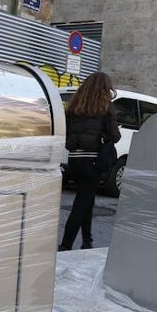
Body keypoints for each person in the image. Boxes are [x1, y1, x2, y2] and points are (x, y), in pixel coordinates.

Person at [58, 72, 121, 251]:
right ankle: (66, 245)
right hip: (93, 160)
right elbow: (115, 136)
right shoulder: (105, 106)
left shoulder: (75, 105)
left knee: (87, 199)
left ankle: (87, 240)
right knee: (81, 202)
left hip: (74, 159)